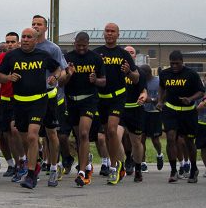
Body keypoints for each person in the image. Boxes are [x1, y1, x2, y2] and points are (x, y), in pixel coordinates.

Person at [0, 27, 61, 189]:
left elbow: (58, 68)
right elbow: (0, 75)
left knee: (33, 136)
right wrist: (9, 77)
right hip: (19, 102)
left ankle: (31, 175)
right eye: (24, 37)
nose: (25, 39)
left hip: (39, 101)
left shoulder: (43, 55)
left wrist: (54, 78)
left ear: (35, 40)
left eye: (29, 37)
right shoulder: (12, 56)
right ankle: (35, 161)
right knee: (25, 138)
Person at [93, 23, 139, 185]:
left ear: (118, 35)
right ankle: (118, 162)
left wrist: (128, 72)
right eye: (107, 31)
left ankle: (114, 167)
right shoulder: (96, 53)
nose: (109, 34)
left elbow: (136, 78)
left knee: (112, 130)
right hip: (101, 98)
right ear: (103, 34)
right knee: (106, 133)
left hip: (118, 97)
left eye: (113, 31)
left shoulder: (123, 54)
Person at [61, 31, 106, 187]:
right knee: (79, 137)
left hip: (89, 100)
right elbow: (61, 83)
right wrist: (68, 74)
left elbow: (103, 81)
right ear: (74, 43)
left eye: (84, 46)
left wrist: (95, 80)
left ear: (88, 44)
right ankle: (86, 164)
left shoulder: (95, 58)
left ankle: (81, 172)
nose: (81, 48)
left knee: (84, 133)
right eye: (78, 45)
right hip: (72, 100)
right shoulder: (68, 58)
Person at [157, 50, 205, 183]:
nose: (174, 66)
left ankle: (194, 169)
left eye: (177, 64)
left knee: (189, 142)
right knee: (171, 138)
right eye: (172, 63)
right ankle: (173, 171)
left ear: (182, 62)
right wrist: (161, 101)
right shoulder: (165, 74)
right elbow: (161, 87)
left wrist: (190, 99)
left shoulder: (191, 74)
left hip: (188, 111)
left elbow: (201, 92)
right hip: (171, 110)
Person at [31, 15, 66, 187]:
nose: (35, 27)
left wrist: (56, 79)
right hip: (30, 97)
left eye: (39, 24)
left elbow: (63, 71)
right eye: (33, 24)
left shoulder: (52, 49)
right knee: (31, 134)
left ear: (46, 28)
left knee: (51, 134)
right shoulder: (26, 48)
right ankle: (32, 168)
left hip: (50, 97)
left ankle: (54, 167)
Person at [0, 32, 26, 178]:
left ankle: (23, 161)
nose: (10, 45)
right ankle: (12, 164)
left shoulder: (24, 57)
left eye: (13, 42)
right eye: (7, 42)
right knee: (4, 135)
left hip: (19, 100)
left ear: (18, 43)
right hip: (4, 100)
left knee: (15, 130)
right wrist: (6, 78)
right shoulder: (2, 59)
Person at [121, 46, 147, 182]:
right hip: (119, 108)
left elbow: (144, 90)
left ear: (135, 56)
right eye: (127, 52)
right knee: (116, 135)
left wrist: (143, 96)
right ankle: (120, 165)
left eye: (132, 53)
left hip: (135, 109)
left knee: (136, 141)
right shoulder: (117, 71)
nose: (129, 54)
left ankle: (137, 168)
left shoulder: (140, 72)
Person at [140, 64, 164, 172]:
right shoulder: (141, 82)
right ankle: (143, 163)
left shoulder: (158, 81)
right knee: (142, 138)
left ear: (148, 73)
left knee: (155, 140)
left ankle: (159, 154)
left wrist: (153, 100)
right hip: (142, 112)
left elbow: (163, 95)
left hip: (154, 113)